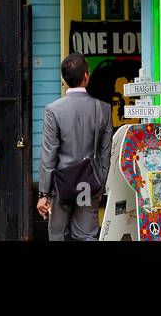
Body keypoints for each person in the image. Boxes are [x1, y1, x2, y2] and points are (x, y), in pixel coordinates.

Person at [38, 52, 113, 241]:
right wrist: (100, 185)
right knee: (87, 236)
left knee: (57, 235)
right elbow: (105, 153)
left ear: (64, 78)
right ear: (86, 76)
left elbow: (49, 154)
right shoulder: (103, 109)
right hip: (88, 184)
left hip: (60, 184)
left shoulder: (53, 110)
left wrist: (43, 193)